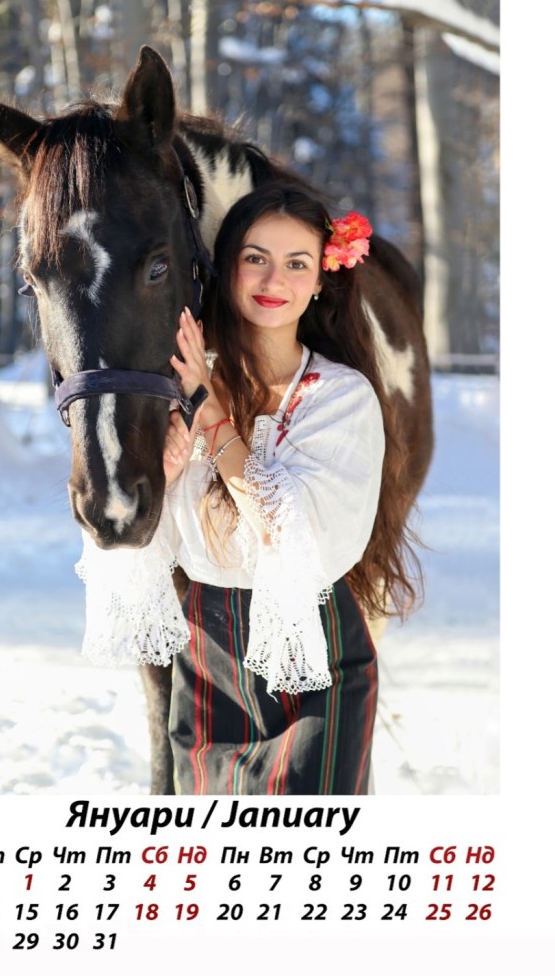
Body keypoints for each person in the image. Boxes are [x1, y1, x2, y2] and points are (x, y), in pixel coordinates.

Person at [76, 180, 418, 795]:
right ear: (228, 266)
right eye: (255, 258)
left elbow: (286, 532)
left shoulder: (341, 398)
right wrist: (165, 480)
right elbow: (129, 547)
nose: (273, 280)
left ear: (321, 280)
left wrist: (210, 415)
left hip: (313, 657)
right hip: (207, 662)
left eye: (297, 263)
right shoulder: (177, 384)